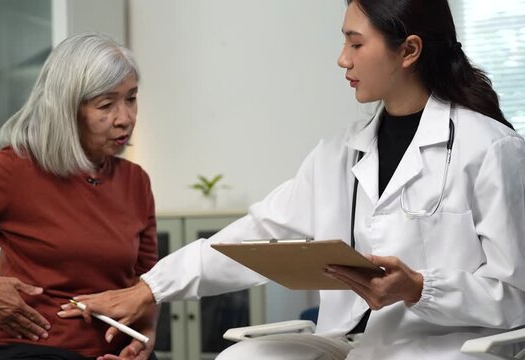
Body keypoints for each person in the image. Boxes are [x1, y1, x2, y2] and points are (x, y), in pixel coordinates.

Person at [57, 1, 525, 359]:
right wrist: (150, 288)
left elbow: (516, 297)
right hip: (348, 344)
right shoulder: (337, 154)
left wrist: (420, 288)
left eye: (356, 43)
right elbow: (254, 237)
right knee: (241, 355)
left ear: (410, 50)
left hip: (439, 348)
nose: (343, 59)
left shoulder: (489, 148)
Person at [0, 32, 158, 360]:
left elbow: (148, 282)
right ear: (68, 108)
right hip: (33, 347)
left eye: (131, 98)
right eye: (106, 105)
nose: (125, 117)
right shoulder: (18, 168)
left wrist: (145, 337)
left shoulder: (135, 181)